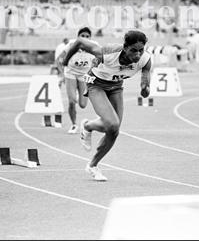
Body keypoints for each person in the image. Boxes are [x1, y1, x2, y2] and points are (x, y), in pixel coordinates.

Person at [62, 30, 152, 181]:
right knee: (113, 122)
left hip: (116, 86)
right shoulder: (106, 53)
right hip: (95, 84)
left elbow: (145, 93)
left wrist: (145, 88)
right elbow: (79, 41)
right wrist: (66, 61)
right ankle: (88, 128)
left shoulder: (145, 60)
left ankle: (92, 163)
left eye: (140, 50)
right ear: (125, 47)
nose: (137, 55)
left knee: (114, 130)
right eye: (133, 51)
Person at [56, 28, 96, 134]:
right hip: (70, 74)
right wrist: (61, 73)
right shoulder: (71, 45)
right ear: (78, 37)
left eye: (87, 36)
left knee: (83, 104)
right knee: (71, 101)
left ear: (90, 38)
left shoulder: (94, 46)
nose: (85, 38)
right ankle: (74, 124)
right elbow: (58, 60)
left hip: (84, 75)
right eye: (82, 36)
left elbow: (100, 60)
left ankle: (78, 95)